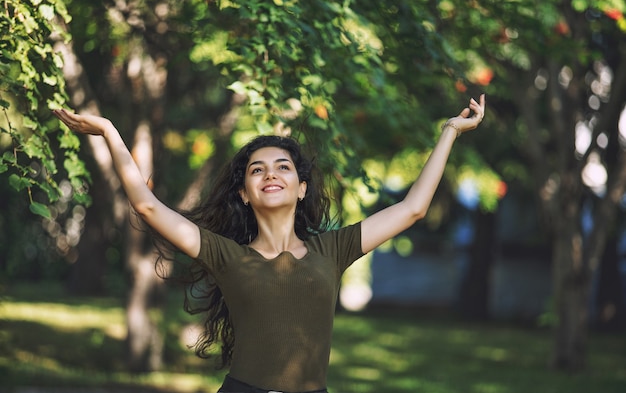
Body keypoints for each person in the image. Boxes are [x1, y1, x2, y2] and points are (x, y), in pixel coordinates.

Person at [52, 94, 485, 393]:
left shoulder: (332, 250)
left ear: (300, 188)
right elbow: (146, 206)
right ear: (244, 192)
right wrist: (109, 130)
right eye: (257, 170)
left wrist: (450, 130)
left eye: (283, 166)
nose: (271, 173)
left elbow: (412, 208)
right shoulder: (226, 254)